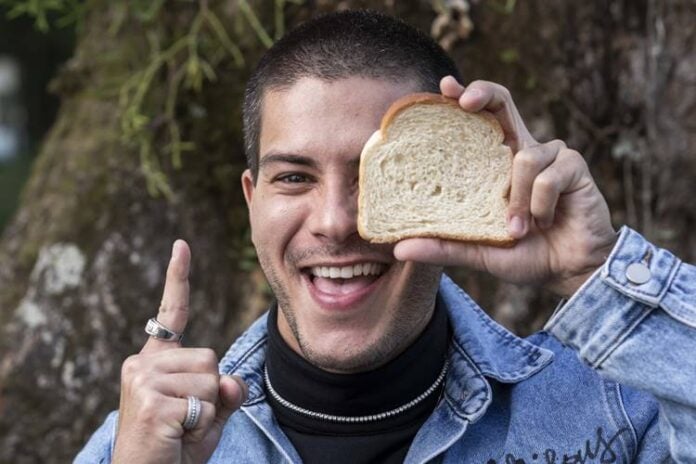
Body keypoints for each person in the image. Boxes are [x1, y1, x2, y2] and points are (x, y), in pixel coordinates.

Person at [76, 10, 696, 464]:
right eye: (295, 177)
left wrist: (597, 269)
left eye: (378, 175)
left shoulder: (616, 412)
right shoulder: (140, 444)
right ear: (252, 200)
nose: (337, 221)